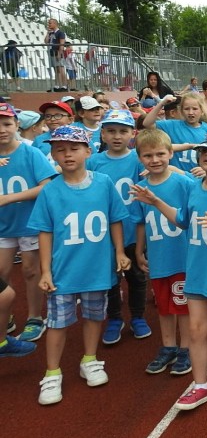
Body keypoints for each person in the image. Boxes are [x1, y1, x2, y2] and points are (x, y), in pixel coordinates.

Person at [131, 130, 207, 411]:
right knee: (197, 331)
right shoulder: (194, 187)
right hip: (196, 270)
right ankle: (200, 385)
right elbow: (182, 221)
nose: (206, 155)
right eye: (204, 151)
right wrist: (156, 202)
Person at [30, 125, 131, 405]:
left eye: (74, 148)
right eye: (60, 149)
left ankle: (90, 358)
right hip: (63, 270)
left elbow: (115, 219)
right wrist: (46, 270)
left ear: (88, 151)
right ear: (52, 154)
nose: (67, 154)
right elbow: (45, 231)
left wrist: (120, 252)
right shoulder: (50, 191)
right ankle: (52, 372)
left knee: (94, 315)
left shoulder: (103, 183)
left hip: (97, 268)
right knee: (58, 323)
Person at [130, 129, 194, 376]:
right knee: (164, 306)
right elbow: (139, 222)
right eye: (148, 155)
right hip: (158, 257)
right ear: (140, 158)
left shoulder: (183, 183)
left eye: (160, 154)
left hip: (182, 256)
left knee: (183, 306)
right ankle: (168, 346)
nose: (154, 160)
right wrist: (138, 251)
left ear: (170, 153)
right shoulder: (140, 188)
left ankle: (186, 348)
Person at [86, 109, 149, 345]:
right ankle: (114, 318)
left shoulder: (139, 159)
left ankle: (138, 316)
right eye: (111, 131)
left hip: (133, 229)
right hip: (104, 233)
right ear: (102, 134)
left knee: (137, 276)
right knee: (110, 277)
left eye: (123, 131)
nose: (117, 136)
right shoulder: (93, 162)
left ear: (132, 134)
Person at [0, 102, 56, 343]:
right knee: (2, 273)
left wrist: (9, 198)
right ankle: (6, 314)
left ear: (16, 125)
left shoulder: (30, 152)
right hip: (4, 224)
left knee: (31, 270)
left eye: (6, 124)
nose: (2, 130)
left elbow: (46, 186)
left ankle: (35, 317)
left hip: (30, 222)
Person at [141, 92, 207, 174]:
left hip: (198, 178)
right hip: (175, 176)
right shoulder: (171, 125)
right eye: (186, 109)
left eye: (195, 109)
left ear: (202, 111)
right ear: (181, 111)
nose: (190, 112)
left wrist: (206, 170)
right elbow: (147, 123)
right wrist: (162, 103)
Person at [44, 18, 68, 92]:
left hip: (57, 52)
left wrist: (59, 53)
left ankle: (64, 85)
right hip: (52, 52)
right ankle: (57, 85)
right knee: (56, 69)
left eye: (50, 23)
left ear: (55, 24)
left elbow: (62, 44)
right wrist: (48, 33)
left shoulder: (60, 33)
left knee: (61, 68)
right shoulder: (51, 33)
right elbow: (46, 41)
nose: (49, 24)